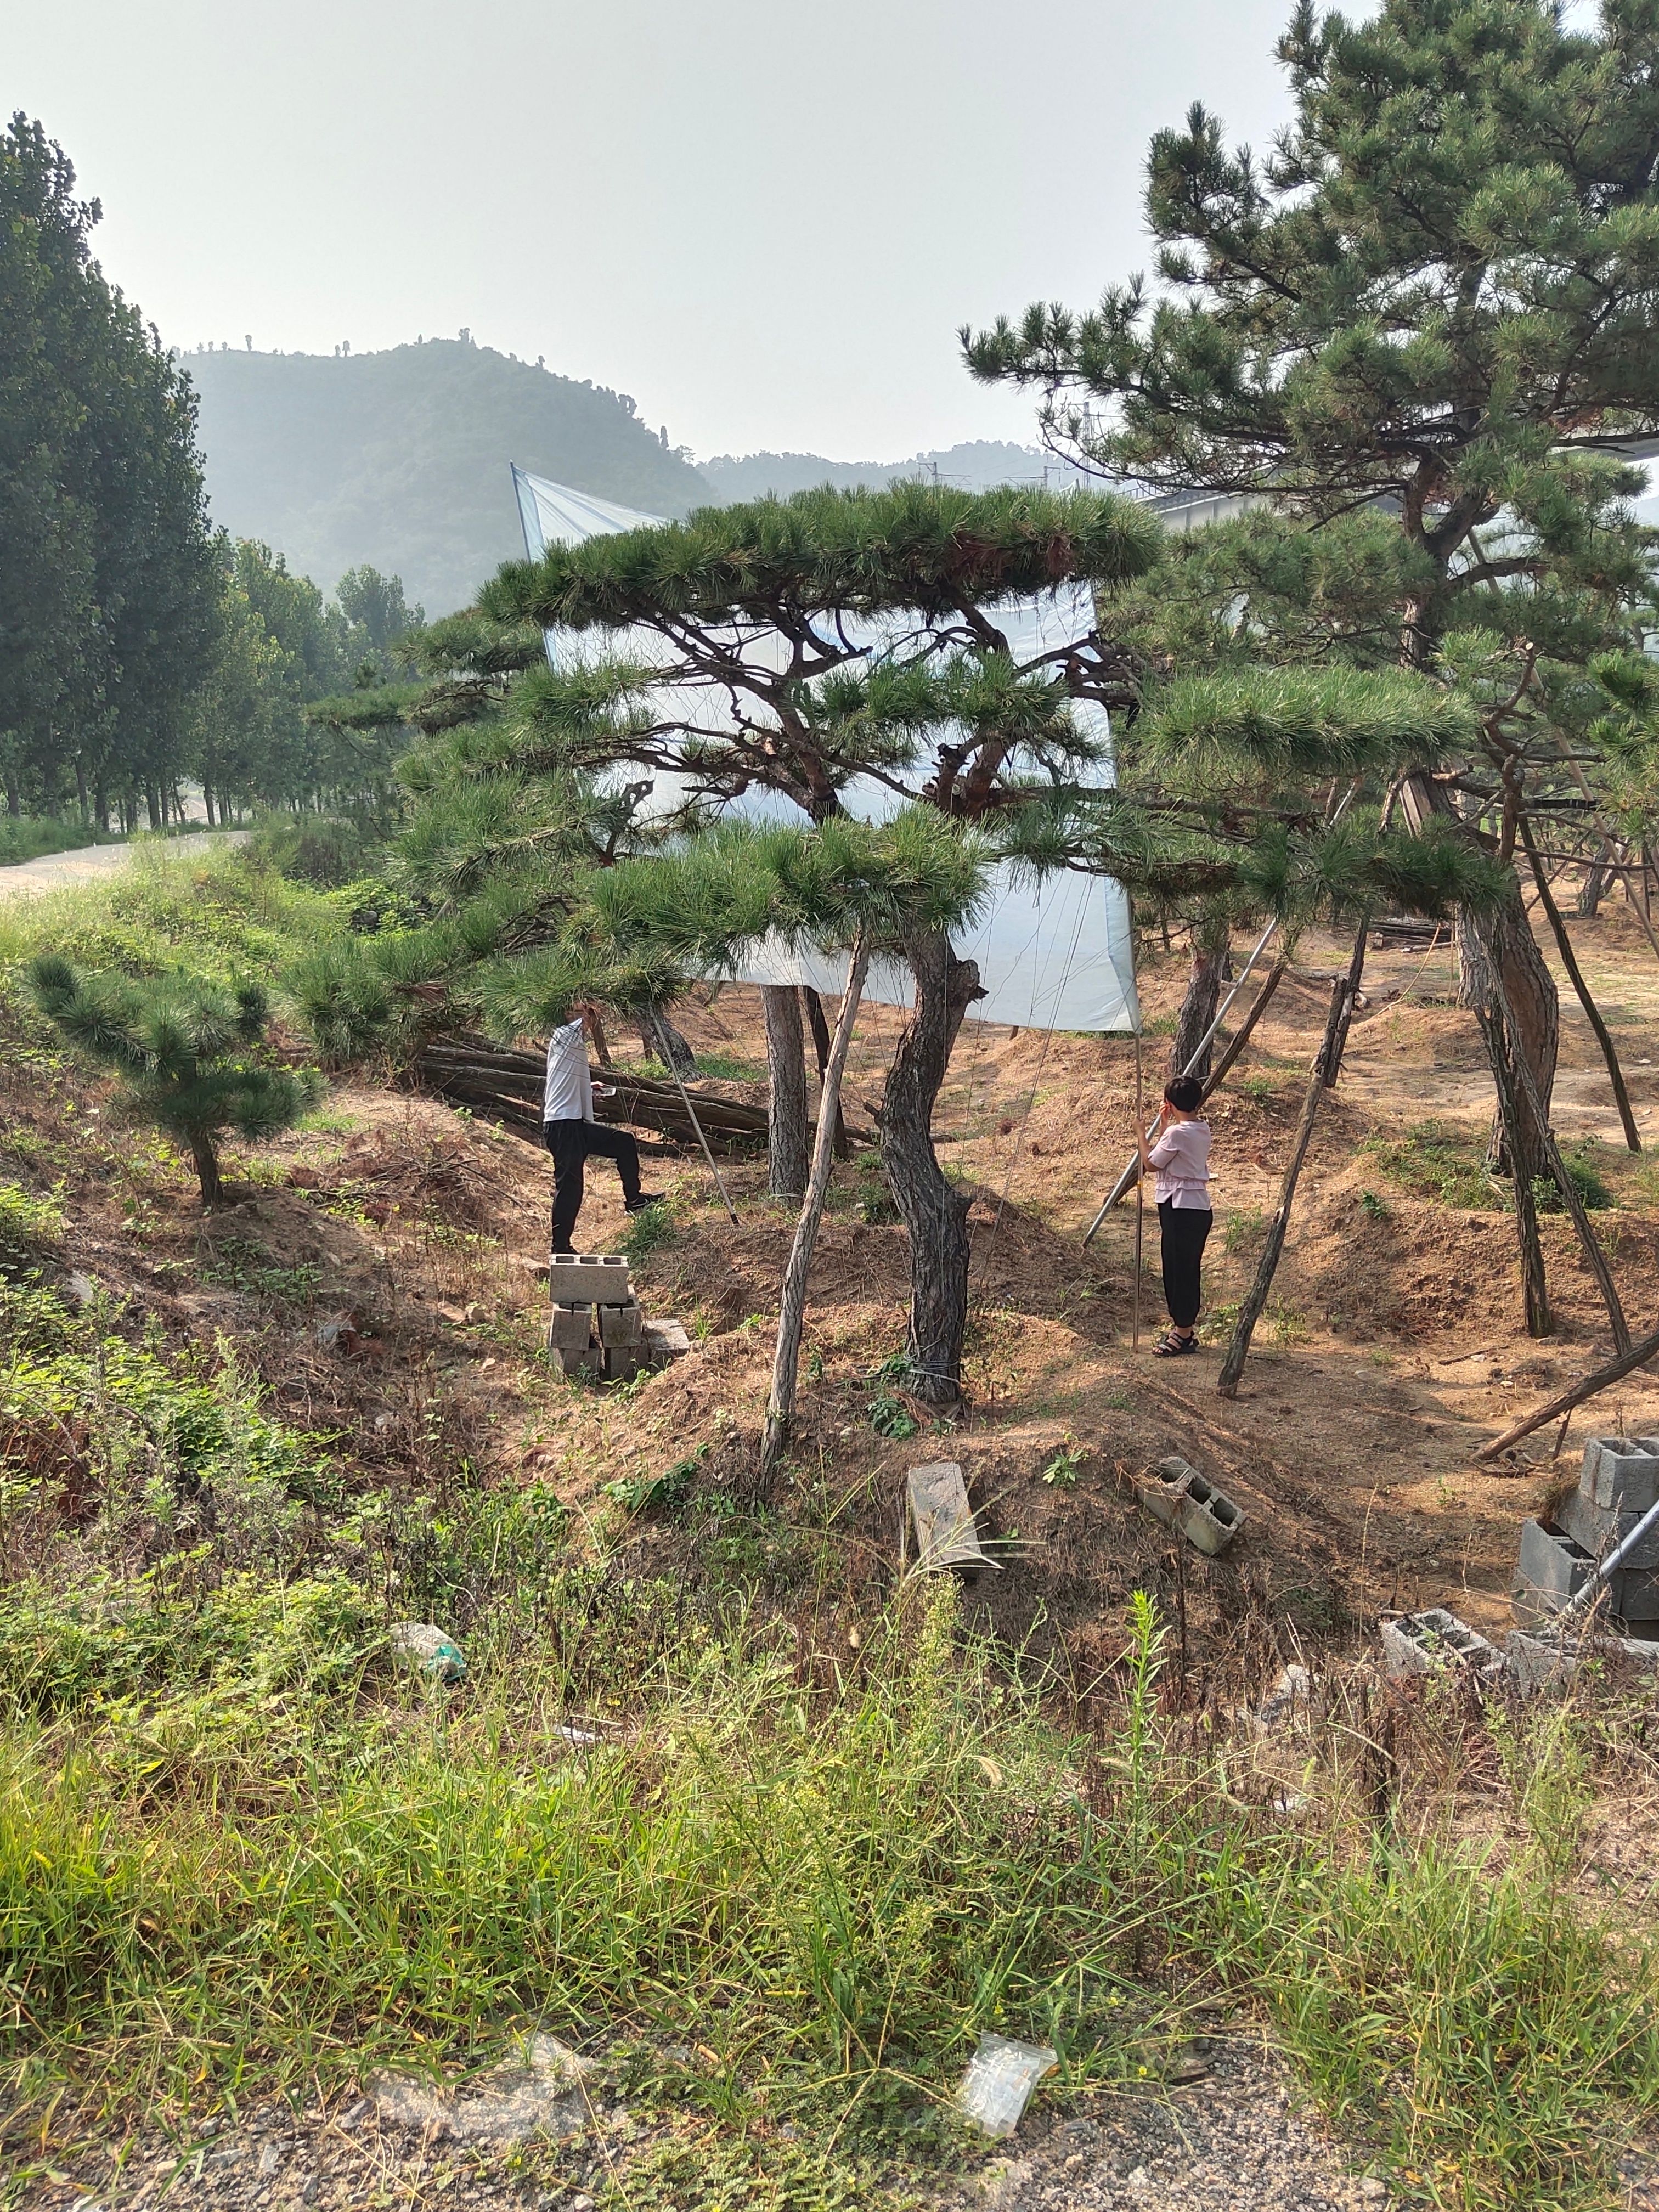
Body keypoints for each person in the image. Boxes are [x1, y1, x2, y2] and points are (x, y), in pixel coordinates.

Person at [544, 1002, 661, 1254]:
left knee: (625, 1143)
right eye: (576, 1009)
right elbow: (588, 1018)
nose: (584, 1015)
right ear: (565, 1014)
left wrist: (588, 1089)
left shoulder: (570, 1043)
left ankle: (635, 1200)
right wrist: (597, 1002)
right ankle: (560, 1246)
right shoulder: (563, 1035)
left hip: (576, 1123)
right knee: (571, 1186)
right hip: (563, 1127)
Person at [1135, 1074, 1213, 1357]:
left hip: (1180, 1209)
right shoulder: (1200, 1128)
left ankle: (1182, 1333)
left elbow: (1152, 1163)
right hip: (1197, 1207)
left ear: (1169, 1102)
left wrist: (1142, 1134)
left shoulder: (1177, 1134)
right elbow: (1175, 1149)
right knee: (1188, 1269)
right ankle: (1185, 1330)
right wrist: (1166, 1125)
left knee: (1178, 1271)